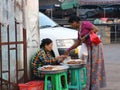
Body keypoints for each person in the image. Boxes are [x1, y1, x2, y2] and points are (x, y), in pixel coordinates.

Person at [65, 15, 106, 90]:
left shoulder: (85, 24)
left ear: (75, 22)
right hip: (89, 48)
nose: (71, 25)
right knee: (89, 67)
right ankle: (90, 85)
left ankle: (95, 86)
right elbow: (78, 42)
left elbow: (96, 29)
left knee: (95, 67)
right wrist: (69, 49)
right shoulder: (79, 30)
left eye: (71, 24)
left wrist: (86, 37)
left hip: (95, 46)